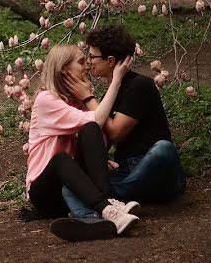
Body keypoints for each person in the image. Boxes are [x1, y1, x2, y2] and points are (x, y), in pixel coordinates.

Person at [61, 25, 186, 224]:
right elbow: (104, 140)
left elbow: (116, 132)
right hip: (127, 172)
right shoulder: (111, 93)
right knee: (72, 187)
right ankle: (95, 214)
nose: (89, 63)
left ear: (110, 61)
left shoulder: (140, 86)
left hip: (155, 171)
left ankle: (107, 199)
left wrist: (87, 97)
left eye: (92, 57)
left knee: (164, 149)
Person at [26, 44, 141, 241]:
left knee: (89, 129)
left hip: (73, 186)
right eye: (80, 62)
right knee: (61, 158)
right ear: (64, 69)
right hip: (45, 191)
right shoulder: (46, 100)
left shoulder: (73, 102)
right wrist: (116, 81)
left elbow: (97, 135)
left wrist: (97, 161)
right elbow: (97, 119)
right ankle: (106, 207)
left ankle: (102, 213)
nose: (87, 66)